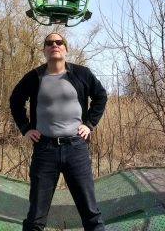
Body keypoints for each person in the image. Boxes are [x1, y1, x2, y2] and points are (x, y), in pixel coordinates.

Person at [10, 32, 107, 231]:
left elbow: (101, 96)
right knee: (35, 217)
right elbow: (15, 100)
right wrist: (26, 128)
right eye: (49, 42)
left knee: (91, 214)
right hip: (45, 151)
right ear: (44, 49)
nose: (54, 45)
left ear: (65, 48)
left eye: (59, 42)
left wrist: (89, 124)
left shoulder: (82, 74)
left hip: (76, 149)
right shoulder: (35, 76)